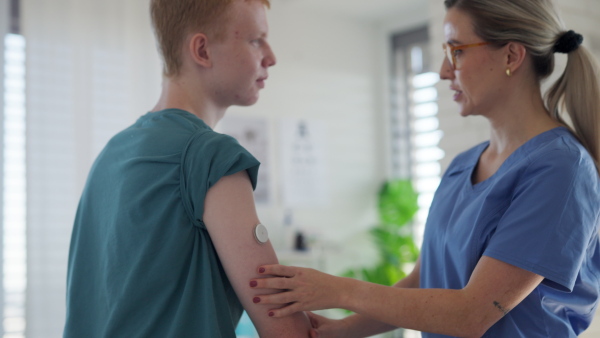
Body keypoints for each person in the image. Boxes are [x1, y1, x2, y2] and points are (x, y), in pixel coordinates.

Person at [250, 0, 600, 337]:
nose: (444, 70)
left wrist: (337, 291)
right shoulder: (463, 165)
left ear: (511, 55)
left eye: (457, 50)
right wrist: (342, 331)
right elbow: (424, 280)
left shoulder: (561, 169)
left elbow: (472, 313)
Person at [63, 0, 313, 337]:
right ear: (202, 50)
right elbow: (289, 333)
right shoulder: (211, 156)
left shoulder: (111, 154)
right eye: (256, 40)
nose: (271, 56)